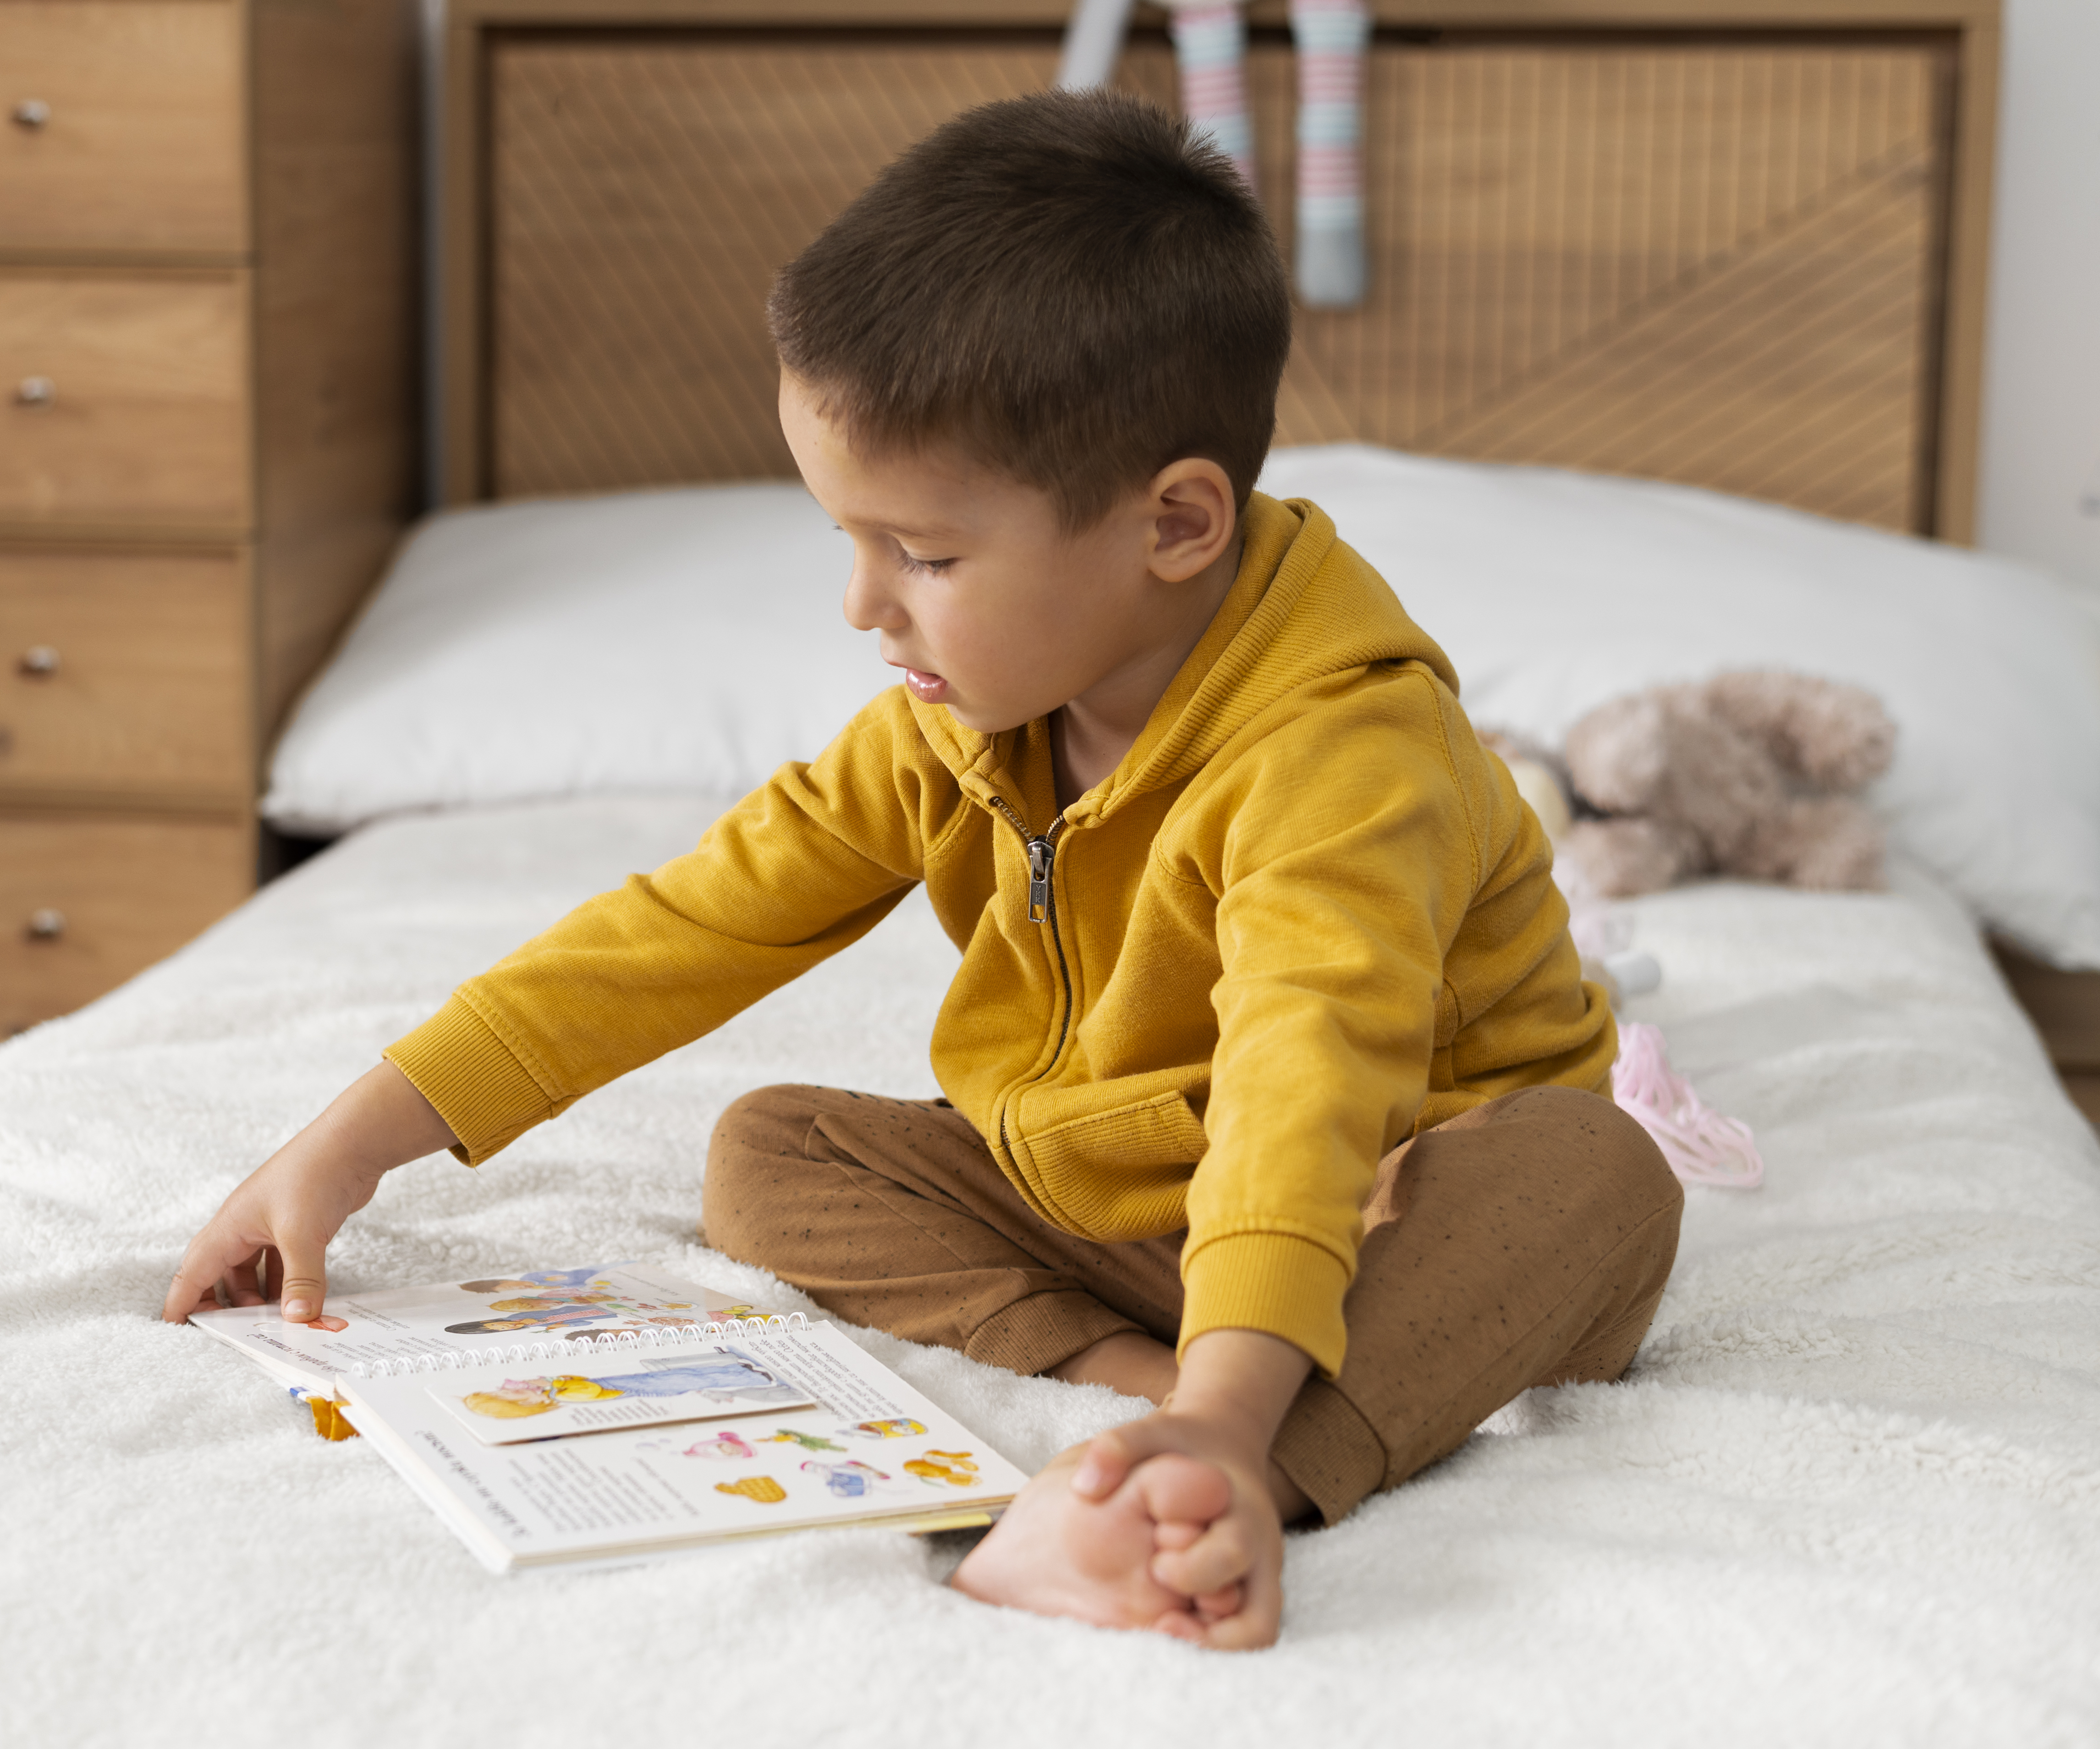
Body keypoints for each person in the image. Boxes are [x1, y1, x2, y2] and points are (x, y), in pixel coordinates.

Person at [164, 88, 1681, 1649]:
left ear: (1173, 523)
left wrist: (1233, 1420)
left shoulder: (1340, 758)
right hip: (1120, 1203)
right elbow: (691, 923)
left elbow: (1309, 1078)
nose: (862, 608)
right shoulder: (959, 719)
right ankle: (1141, 1394)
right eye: (849, 540)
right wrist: (353, 1140)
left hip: (1381, 1207)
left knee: (1601, 1176)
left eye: (926, 557)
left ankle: (1227, 1465)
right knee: (770, 1149)